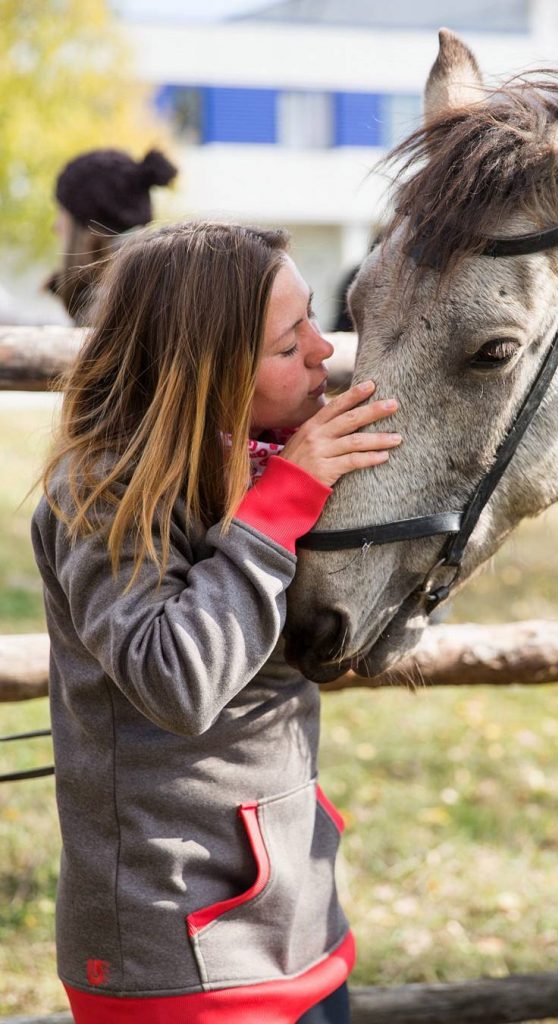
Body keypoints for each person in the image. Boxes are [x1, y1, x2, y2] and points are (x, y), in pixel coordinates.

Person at [31, 221, 403, 1024]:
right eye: (285, 343)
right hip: (178, 955)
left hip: (296, 919)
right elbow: (176, 680)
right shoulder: (103, 495)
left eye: (311, 318)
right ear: (204, 372)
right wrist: (282, 508)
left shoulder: (258, 456)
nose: (321, 352)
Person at [45, 147, 177, 324]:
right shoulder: (159, 288)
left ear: (88, 225)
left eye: (63, 212)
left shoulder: (110, 309)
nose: (56, 226)